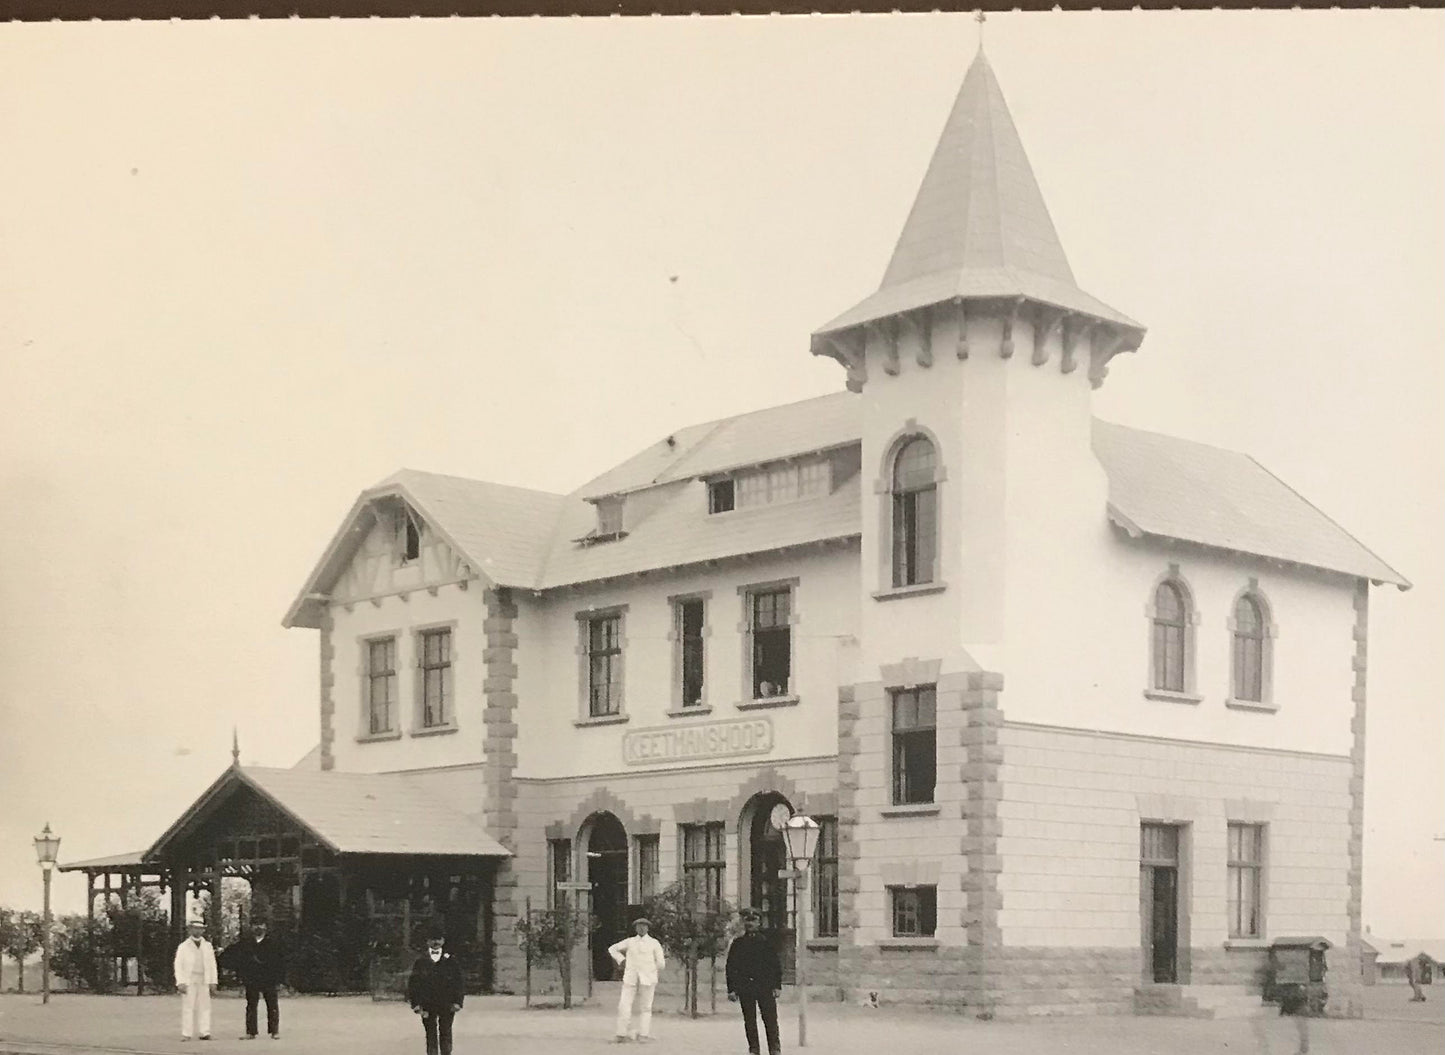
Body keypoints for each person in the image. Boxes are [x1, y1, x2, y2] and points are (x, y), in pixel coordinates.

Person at [726, 909, 782, 1055]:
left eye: (753, 920)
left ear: (759, 922)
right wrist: (732, 989)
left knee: (770, 1019)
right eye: (747, 920)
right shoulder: (738, 944)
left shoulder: (766, 942)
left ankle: (774, 1048)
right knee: (749, 1020)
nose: (750, 923)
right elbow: (731, 967)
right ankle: (754, 1049)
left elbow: (775, 965)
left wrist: (777, 985)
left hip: (765, 986)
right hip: (746, 987)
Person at [221, 919, 286, 1039]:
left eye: (261, 924)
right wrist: (240, 973)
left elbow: (281, 962)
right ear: (251, 927)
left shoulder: (273, 943)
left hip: (269, 978)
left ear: (266, 927)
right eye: (256, 925)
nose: (259, 927)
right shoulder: (245, 943)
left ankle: (274, 1031)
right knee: (251, 1005)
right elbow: (231, 956)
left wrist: (280, 979)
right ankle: (251, 1032)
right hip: (252, 978)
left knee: (272, 1005)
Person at [607, 916, 667, 1043]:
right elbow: (612, 949)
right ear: (635, 928)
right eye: (638, 926)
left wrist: (650, 969)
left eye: (644, 926)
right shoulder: (630, 942)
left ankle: (644, 1034)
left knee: (646, 1007)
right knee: (624, 1005)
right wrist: (621, 960)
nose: (641, 928)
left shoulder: (654, 943)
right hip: (631, 978)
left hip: (648, 979)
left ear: (648, 928)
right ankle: (621, 1034)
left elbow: (661, 963)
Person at [405, 929, 465, 1055]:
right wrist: (415, 1004)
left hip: (447, 1002)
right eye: (432, 939)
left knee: (446, 1031)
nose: (436, 942)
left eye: (439, 939)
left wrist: (458, 1002)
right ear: (427, 942)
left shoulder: (451, 960)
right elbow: (414, 983)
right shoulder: (421, 961)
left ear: (443, 941)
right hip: (427, 1003)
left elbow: (458, 983)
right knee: (430, 1033)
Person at [173, 913, 219, 1042]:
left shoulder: (207, 946)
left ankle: (205, 1031)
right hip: (189, 978)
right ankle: (186, 1033)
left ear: (203, 930)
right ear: (190, 929)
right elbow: (178, 965)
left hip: (203, 978)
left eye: (200, 928)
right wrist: (180, 982)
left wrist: (213, 981)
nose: (197, 931)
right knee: (188, 1006)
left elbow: (212, 965)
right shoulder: (183, 946)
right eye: (195, 928)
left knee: (205, 1006)